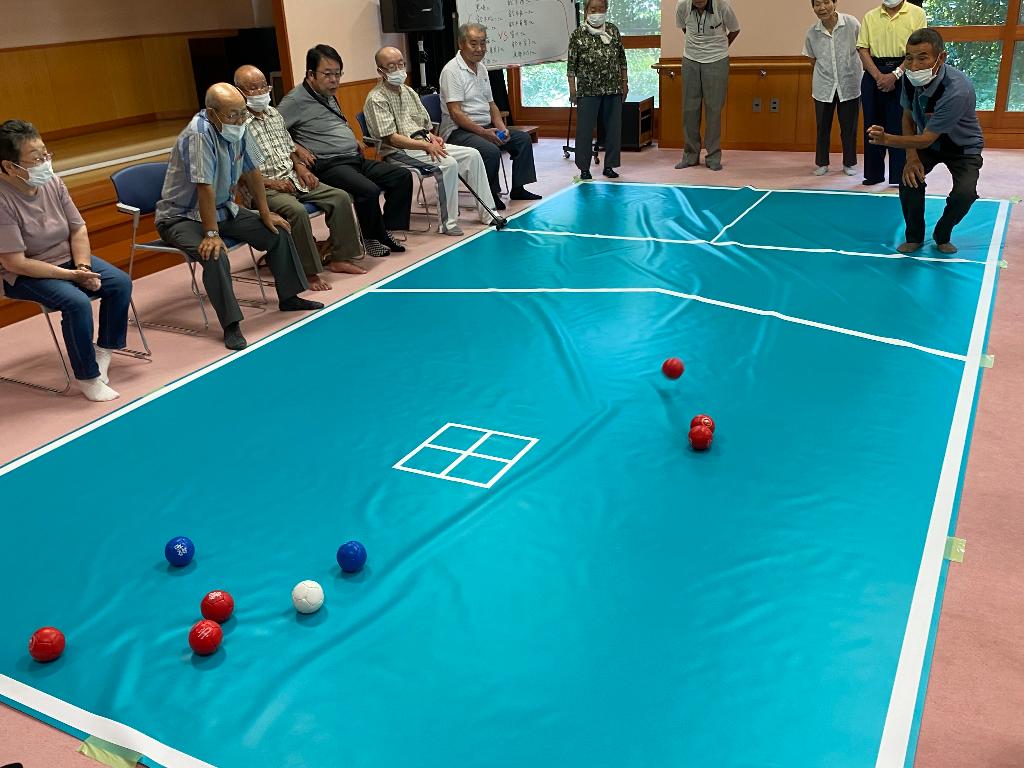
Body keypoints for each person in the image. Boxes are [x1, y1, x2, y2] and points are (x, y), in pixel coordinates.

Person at [155, 83, 323, 351]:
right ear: (212, 113)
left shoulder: (240, 128)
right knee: (214, 253)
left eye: (243, 112)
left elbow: (252, 170)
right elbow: (204, 188)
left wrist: (265, 213)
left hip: (222, 208)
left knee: (277, 231)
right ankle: (231, 325)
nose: (240, 119)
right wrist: (211, 234)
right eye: (232, 114)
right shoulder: (198, 135)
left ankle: (289, 297)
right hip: (181, 216)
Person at [0, 120, 132, 402]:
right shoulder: (2, 200)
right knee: (77, 302)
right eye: (36, 159)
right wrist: (73, 277)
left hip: (68, 259)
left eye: (46, 155)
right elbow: (15, 263)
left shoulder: (52, 182)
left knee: (120, 283)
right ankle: (87, 377)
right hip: (24, 273)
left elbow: (78, 228)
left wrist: (83, 267)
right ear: (10, 166)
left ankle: (103, 349)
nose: (45, 163)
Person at [234, 65, 366, 289]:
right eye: (253, 88)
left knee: (340, 197)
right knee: (296, 211)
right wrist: (272, 183)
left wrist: (301, 168)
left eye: (263, 87)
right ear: (240, 91)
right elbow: (238, 172)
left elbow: (289, 148)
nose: (260, 92)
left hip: (292, 177)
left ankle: (340, 258)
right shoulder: (237, 125)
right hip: (264, 188)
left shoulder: (273, 114)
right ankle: (308, 272)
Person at [278, 44, 412, 258]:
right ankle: (370, 237)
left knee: (401, 177)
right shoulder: (295, 101)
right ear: (311, 74)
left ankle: (384, 230)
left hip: (352, 158)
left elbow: (331, 122)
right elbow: (272, 130)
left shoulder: (327, 93)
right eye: (327, 74)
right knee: (368, 190)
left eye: (338, 74)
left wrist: (352, 139)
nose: (334, 80)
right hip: (328, 164)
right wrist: (297, 147)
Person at [867, 27, 984, 254]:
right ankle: (914, 236)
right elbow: (907, 116)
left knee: (965, 194)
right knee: (909, 180)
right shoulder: (909, 78)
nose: (914, 65)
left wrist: (886, 139)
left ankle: (942, 233)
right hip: (928, 141)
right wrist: (911, 158)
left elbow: (926, 139)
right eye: (909, 58)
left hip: (963, 147)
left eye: (922, 58)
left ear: (941, 57)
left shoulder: (957, 90)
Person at [363, 47, 495, 235]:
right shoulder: (376, 98)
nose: (398, 70)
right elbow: (391, 138)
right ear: (380, 71)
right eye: (391, 67)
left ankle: (489, 213)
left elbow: (423, 123)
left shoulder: (408, 91)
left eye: (401, 64)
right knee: (447, 164)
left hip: (422, 144)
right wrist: (426, 145)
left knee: (472, 155)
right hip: (398, 151)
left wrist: (432, 137)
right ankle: (448, 224)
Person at [439, 23, 542, 210]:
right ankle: (489, 196)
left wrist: (501, 127)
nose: (479, 49)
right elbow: (455, 113)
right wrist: (484, 133)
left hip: (484, 127)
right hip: (458, 131)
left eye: (483, 43)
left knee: (522, 139)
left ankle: (519, 188)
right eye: (473, 44)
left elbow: (491, 104)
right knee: (490, 150)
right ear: (461, 44)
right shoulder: (451, 71)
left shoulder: (482, 68)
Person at [856, 0, 926, 185]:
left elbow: (918, 49)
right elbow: (862, 49)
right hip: (874, 72)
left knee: (901, 124)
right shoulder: (870, 16)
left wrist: (895, 75)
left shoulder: (917, 13)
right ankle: (873, 174)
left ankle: (899, 175)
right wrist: (878, 76)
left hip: (904, 70)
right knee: (872, 125)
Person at [674, 0, 740, 171]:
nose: (697, 1)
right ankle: (690, 156)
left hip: (717, 59)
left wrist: (720, 47)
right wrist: (697, 46)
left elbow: (735, 29)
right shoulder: (682, 6)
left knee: (714, 110)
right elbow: (684, 28)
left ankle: (713, 157)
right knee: (689, 110)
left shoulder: (722, 5)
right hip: (690, 59)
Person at [567, 0, 628, 180]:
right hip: (587, 90)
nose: (597, 13)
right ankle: (584, 169)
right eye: (593, 9)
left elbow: (622, 59)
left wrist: (624, 83)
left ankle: (610, 166)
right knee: (584, 131)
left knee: (613, 129)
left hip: (613, 87)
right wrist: (572, 90)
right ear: (586, 10)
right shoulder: (578, 34)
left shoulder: (612, 30)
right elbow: (571, 66)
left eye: (601, 9)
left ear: (606, 10)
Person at [803, 0, 863, 176]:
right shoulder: (812, 32)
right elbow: (812, 59)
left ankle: (849, 163)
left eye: (826, 2)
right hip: (824, 86)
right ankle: (822, 163)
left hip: (849, 83)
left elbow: (863, 49)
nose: (822, 8)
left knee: (849, 128)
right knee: (822, 127)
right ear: (813, 7)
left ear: (835, 3)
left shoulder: (852, 24)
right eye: (817, 4)